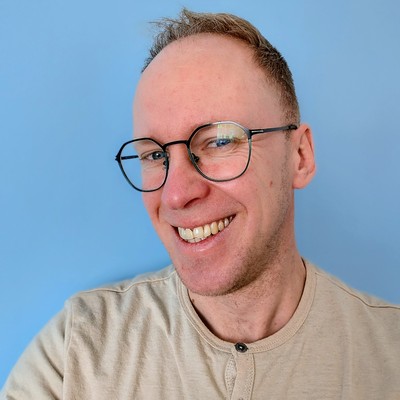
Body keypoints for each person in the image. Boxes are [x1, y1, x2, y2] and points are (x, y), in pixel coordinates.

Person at [2, 8, 399, 400]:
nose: (176, 194)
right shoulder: (75, 354)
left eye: (220, 141)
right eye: (155, 155)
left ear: (300, 156)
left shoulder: (390, 357)